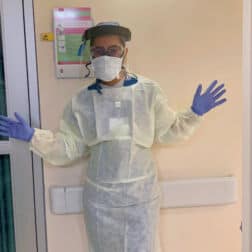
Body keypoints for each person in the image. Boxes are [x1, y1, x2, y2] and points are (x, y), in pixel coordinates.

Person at [0, 21, 226, 252]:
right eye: (98, 51)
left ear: (124, 53)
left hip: (141, 199)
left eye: (112, 50)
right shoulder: (82, 101)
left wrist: (194, 114)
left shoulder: (148, 92)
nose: (105, 56)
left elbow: (168, 132)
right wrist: (33, 136)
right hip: (101, 202)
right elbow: (69, 148)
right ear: (91, 54)